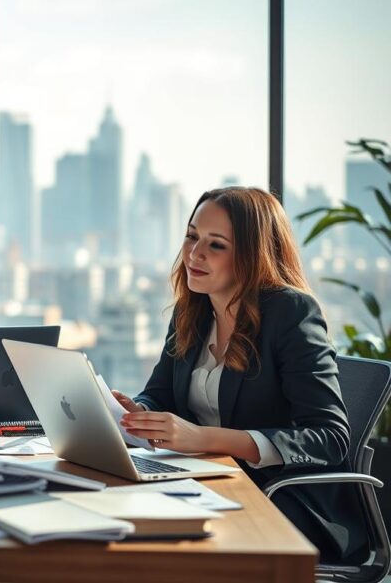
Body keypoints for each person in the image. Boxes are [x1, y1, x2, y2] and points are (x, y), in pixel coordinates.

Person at [113, 186, 366, 562]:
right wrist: (138, 412)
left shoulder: (291, 313)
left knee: (161, 549)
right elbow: (160, 393)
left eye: (216, 245)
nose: (194, 254)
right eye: (192, 236)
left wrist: (203, 437)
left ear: (251, 254)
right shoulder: (191, 311)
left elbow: (329, 437)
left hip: (285, 499)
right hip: (210, 482)